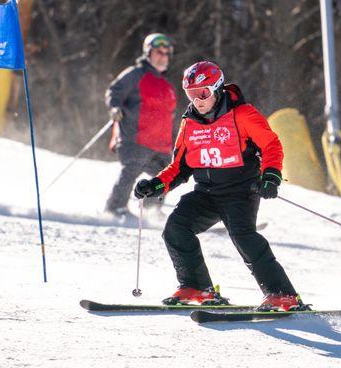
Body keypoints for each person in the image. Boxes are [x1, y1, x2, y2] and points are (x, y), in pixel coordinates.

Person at [133, 61, 308, 311]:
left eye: (203, 93)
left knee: (243, 236)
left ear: (216, 88)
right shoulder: (189, 123)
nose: (198, 100)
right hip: (205, 193)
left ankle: (283, 295)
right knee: (176, 228)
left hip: (241, 191)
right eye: (191, 94)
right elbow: (180, 166)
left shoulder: (242, 114)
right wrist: (155, 185)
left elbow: (271, 145)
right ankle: (196, 287)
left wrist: (271, 177)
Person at [104, 33, 176, 216]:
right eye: (158, 52)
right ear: (148, 53)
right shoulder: (135, 74)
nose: (162, 57)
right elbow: (114, 91)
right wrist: (114, 107)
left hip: (160, 144)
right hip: (134, 137)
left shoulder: (167, 86)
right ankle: (115, 208)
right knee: (132, 168)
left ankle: (151, 211)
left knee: (164, 177)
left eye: (166, 53)